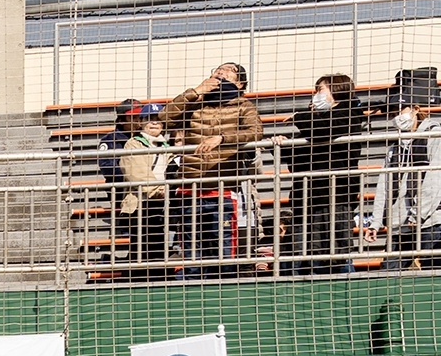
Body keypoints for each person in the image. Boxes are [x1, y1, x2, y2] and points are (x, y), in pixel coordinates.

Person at [161, 62, 261, 272]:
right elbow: (163, 119)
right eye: (218, 69)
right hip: (189, 189)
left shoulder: (244, 106)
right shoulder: (196, 104)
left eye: (230, 70)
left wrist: (222, 138)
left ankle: (223, 286)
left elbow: (255, 132)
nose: (221, 72)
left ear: (240, 83)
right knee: (191, 252)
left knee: (222, 251)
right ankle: (191, 287)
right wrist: (195, 92)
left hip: (222, 189)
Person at [278, 73, 362, 275]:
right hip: (307, 198)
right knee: (301, 253)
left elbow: (323, 131)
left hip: (333, 198)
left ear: (337, 90)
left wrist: (300, 117)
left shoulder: (349, 113)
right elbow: (297, 162)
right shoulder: (314, 119)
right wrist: (283, 145)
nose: (316, 94)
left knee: (334, 254)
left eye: (320, 89)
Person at [362, 69, 440, 268]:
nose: (397, 117)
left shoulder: (434, 136)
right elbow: (384, 185)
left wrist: (417, 214)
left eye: (400, 110)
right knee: (389, 274)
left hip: (430, 223)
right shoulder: (394, 147)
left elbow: (434, 181)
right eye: (393, 113)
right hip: (399, 224)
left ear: (415, 108)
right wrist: (376, 222)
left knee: (432, 274)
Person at [115, 103, 174, 276]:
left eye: (158, 119)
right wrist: (158, 190)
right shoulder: (133, 144)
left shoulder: (166, 145)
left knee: (160, 246)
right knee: (142, 246)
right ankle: (138, 281)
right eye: (149, 119)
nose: (154, 122)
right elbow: (136, 173)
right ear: (140, 122)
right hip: (142, 202)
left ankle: (159, 279)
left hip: (164, 202)